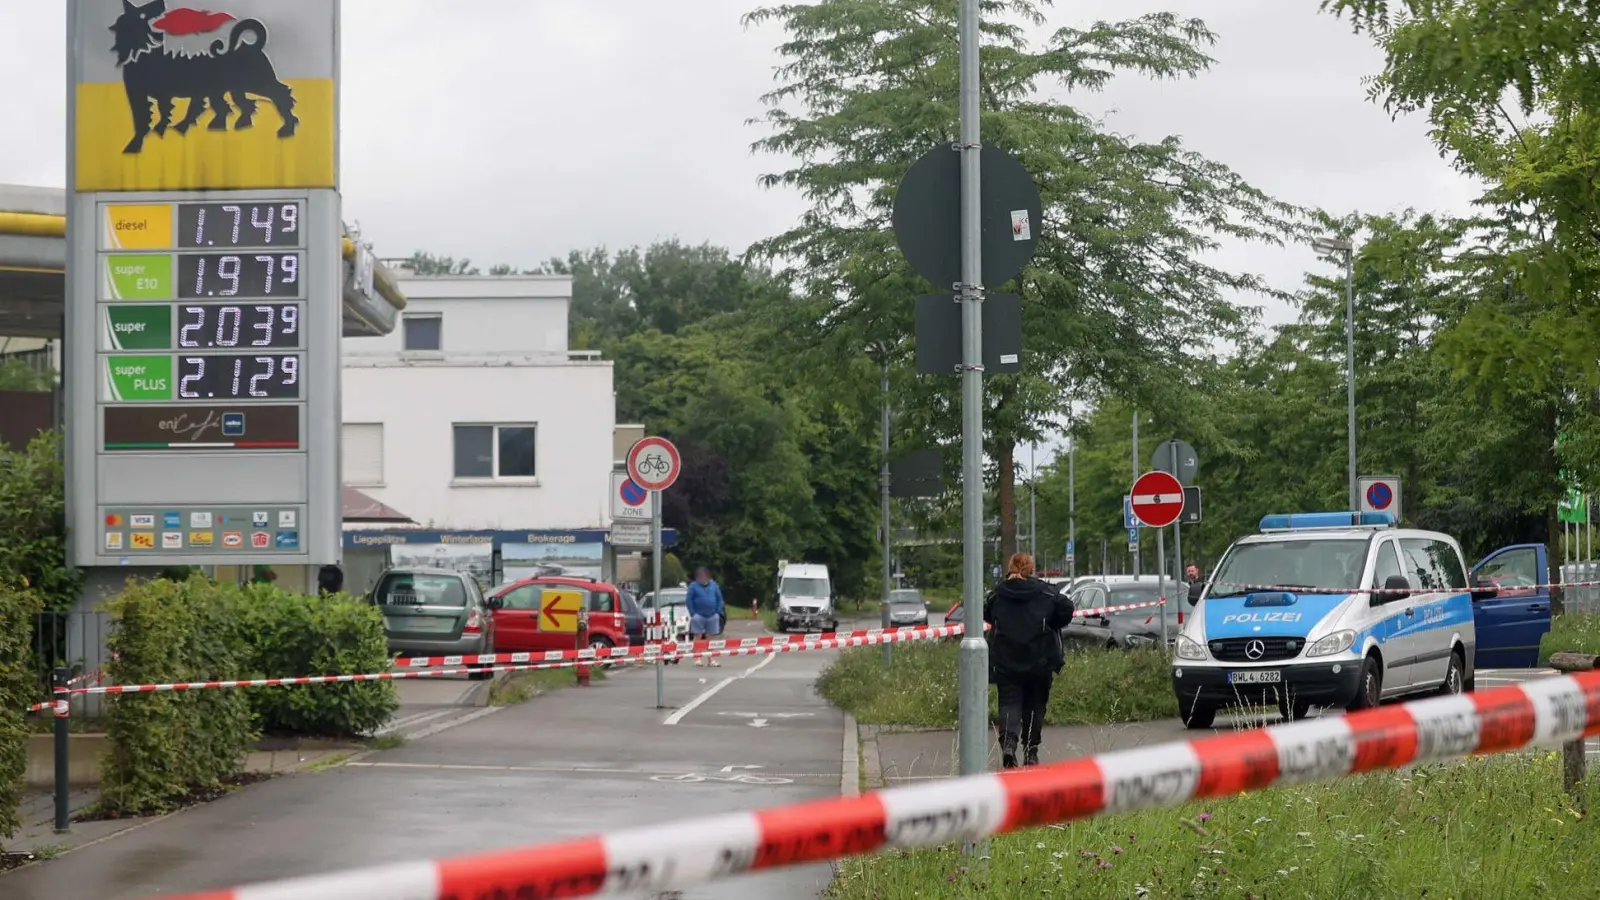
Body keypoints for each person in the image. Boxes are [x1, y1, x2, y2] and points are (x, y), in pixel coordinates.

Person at [984, 552, 1074, 769]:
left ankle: (1008, 745)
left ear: (1010, 567)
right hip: (1039, 660)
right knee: (1035, 706)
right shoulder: (1045, 592)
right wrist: (1052, 622)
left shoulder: (998, 593)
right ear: (1031, 569)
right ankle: (1031, 752)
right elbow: (1067, 609)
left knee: (1009, 702)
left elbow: (986, 613)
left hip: (1006, 660)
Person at [685, 566, 726, 668]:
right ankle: (698, 658)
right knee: (698, 636)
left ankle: (711, 659)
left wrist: (718, 611)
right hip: (698, 615)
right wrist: (693, 614)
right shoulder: (693, 586)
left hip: (712, 615)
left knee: (711, 637)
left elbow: (719, 599)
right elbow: (688, 600)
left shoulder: (714, 585)